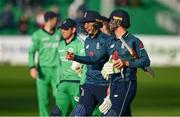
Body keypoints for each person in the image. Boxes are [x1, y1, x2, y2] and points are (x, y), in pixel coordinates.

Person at [101, 9, 151, 116]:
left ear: (118, 22)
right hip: (114, 83)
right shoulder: (111, 40)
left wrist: (126, 63)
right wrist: (110, 86)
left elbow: (146, 61)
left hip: (126, 84)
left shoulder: (133, 41)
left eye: (111, 21)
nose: (109, 23)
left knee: (112, 115)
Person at [66, 10, 112, 116]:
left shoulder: (106, 40)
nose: (85, 26)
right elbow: (89, 62)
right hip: (89, 85)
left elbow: (95, 59)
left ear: (96, 22)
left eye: (88, 22)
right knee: (77, 115)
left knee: (114, 114)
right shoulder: (87, 40)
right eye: (84, 23)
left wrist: (75, 57)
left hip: (104, 86)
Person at [51, 18, 85, 116]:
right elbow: (58, 66)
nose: (63, 31)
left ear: (73, 30)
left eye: (66, 29)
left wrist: (82, 84)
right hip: (62, 85)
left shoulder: (80, 44)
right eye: (62, 29)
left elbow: (85, 66)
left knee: (79, 114)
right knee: (56, 114)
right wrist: (57, 84)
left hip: (76, 85)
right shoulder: (60, 45)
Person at [28, 11, 60, 116]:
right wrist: (32, 67)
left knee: (60, 97)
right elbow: (31, 52)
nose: (57, 21)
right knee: (43, 99)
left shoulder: (59, 33)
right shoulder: (37, 35)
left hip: (57, 70)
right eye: (56, 19)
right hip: (43, 70)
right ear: (50, 20)